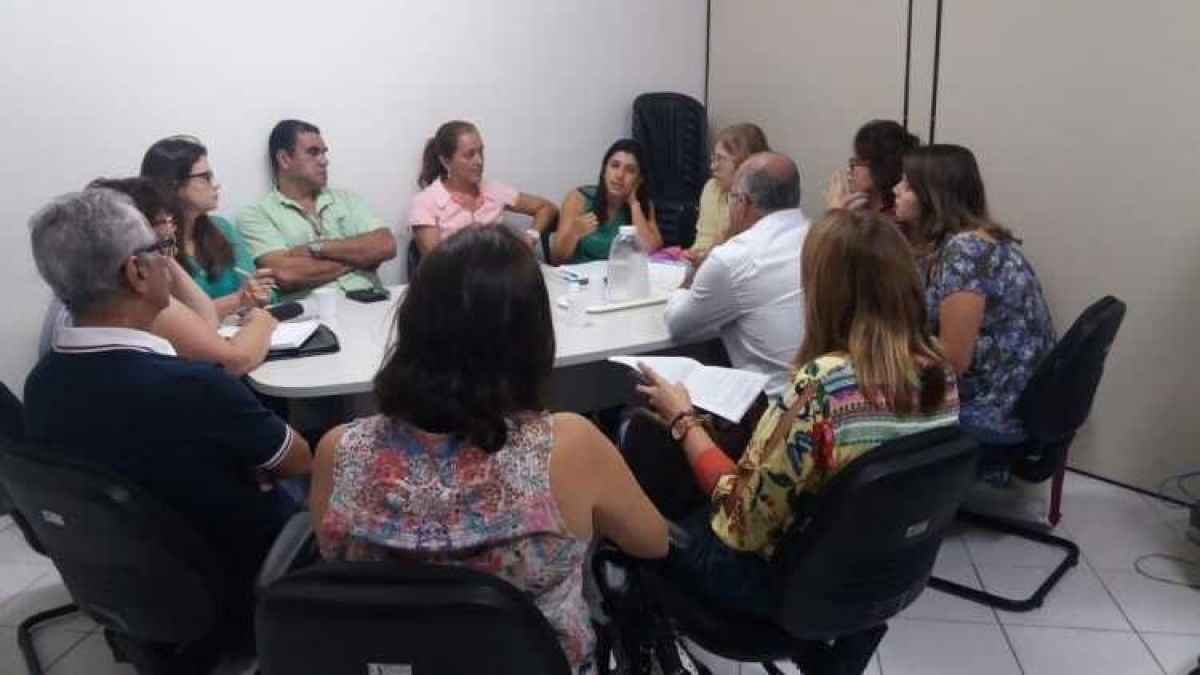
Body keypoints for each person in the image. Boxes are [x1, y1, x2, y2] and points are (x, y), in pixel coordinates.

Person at [309, 226, 667, 673]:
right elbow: (651, 542)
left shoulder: (338, 452)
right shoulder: (570, 447)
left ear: (411, 325)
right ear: (531, 339)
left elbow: (332, 560)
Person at [630, 209, 959, 616]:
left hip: (769, 584)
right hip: (877, 574)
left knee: (639, 436)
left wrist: (683, 420)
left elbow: (741, 522)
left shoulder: (822, 386)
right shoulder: (940, 373)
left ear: (824, 293)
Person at [24, 188, 312, 652]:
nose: (169, 260)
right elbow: (298, 461)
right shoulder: (192, 385)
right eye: (161, 249)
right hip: (239, 588)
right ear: (137, 272)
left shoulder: (41, 384)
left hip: (138, 586)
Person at [894, 144, 1055, 448]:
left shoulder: (965, 252)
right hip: (1010, 397)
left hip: (994, 410)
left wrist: (883, 357)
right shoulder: (969, 239)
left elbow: (953, 360)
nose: (895, 189)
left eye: (908, 185)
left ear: (934, 196)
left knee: (860, 404)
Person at [39, 177, 276, 375]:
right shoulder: (130, 302)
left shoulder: (79, 292)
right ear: (135, 268)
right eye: (164, 224)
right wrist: (262, 322)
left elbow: (207, 320)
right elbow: (233, 361)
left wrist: (158, 250)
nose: (174, 229)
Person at [663, 152, 809, 398]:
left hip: (773, 409)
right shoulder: (820, 238)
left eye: (731, 197)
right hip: (830, 399)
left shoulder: (734, 257)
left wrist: (691, 277)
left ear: (743, 203)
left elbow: (677, 324)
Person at [239, 119, 397, 299]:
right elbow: (286, 274)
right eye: (313, 153)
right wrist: (362, 258)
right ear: (284, 159)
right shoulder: (257, 215)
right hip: (313, 313)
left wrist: (317, 248)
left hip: (372, 301)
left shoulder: (348, 199)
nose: (324, 161)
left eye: (324, 153)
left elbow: (386, 245)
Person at [140, 135, 276, 315]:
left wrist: (260, 294)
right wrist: (237, 300)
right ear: (174, 185)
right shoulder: (152, 242)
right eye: (205, 177)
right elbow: (166, 317)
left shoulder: (221, 228)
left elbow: (266, 291)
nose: (216, 185)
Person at [408, 120, 557, 256]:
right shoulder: (425, 203)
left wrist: (531, 236)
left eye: (481, 152)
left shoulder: (494, 190)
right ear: (445, 161)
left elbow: (546, 208)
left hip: (504, 271)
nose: (479, 161)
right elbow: (434, 263)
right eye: (469, 155)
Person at [551, 139, 662, 265]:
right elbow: (556, 259)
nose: (620, 175)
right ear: (604, 171)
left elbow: (650, 252)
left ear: (639, 179)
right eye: (615, 166)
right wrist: (574, 234)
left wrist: (633, 203)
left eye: (630, 170)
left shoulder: (642, 204)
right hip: (578, 274)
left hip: (620, 275)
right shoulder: (578, 198)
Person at [688, 123, 770, 256]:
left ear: (744, 163)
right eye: (713, 159)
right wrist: (696, 256)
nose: (712, 166)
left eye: (720, 159)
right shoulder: (712, 188)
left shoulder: (765, 197)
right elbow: (702, 243)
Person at [825, 119, 920, 218]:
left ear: (881, 167)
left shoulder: (894, 221)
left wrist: (835, 214)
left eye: (857, 162)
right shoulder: (862, 212)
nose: (849, 170)